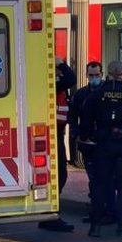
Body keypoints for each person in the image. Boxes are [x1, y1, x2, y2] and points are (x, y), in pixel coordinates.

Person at [80, 61, 122, 238]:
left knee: (100, 185)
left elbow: (86, 121)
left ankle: (95, 227)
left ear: (107, 74)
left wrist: (88, 136)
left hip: (103, 145)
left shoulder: (98, 94)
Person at [68, 61, 114, 224]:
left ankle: (109, 212)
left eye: (97, 75)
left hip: (106, 143)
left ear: (102, 75)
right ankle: (96, 212)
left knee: (107, 179)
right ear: (87, 75)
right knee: (94, 180)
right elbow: (72, 117)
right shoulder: (80, 95)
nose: (94, 78)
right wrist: (75, 134)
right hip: (88, 144)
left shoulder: (109, 93)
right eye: (91, 75)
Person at [40, 56, 78, 232]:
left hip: (56, 131)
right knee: (58, 173)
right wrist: (61, 64)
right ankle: (51, 214)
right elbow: (71, 78)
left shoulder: (50, 81)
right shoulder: (50, 81)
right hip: (53, 133)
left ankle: (49, 213)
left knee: (57, 174)